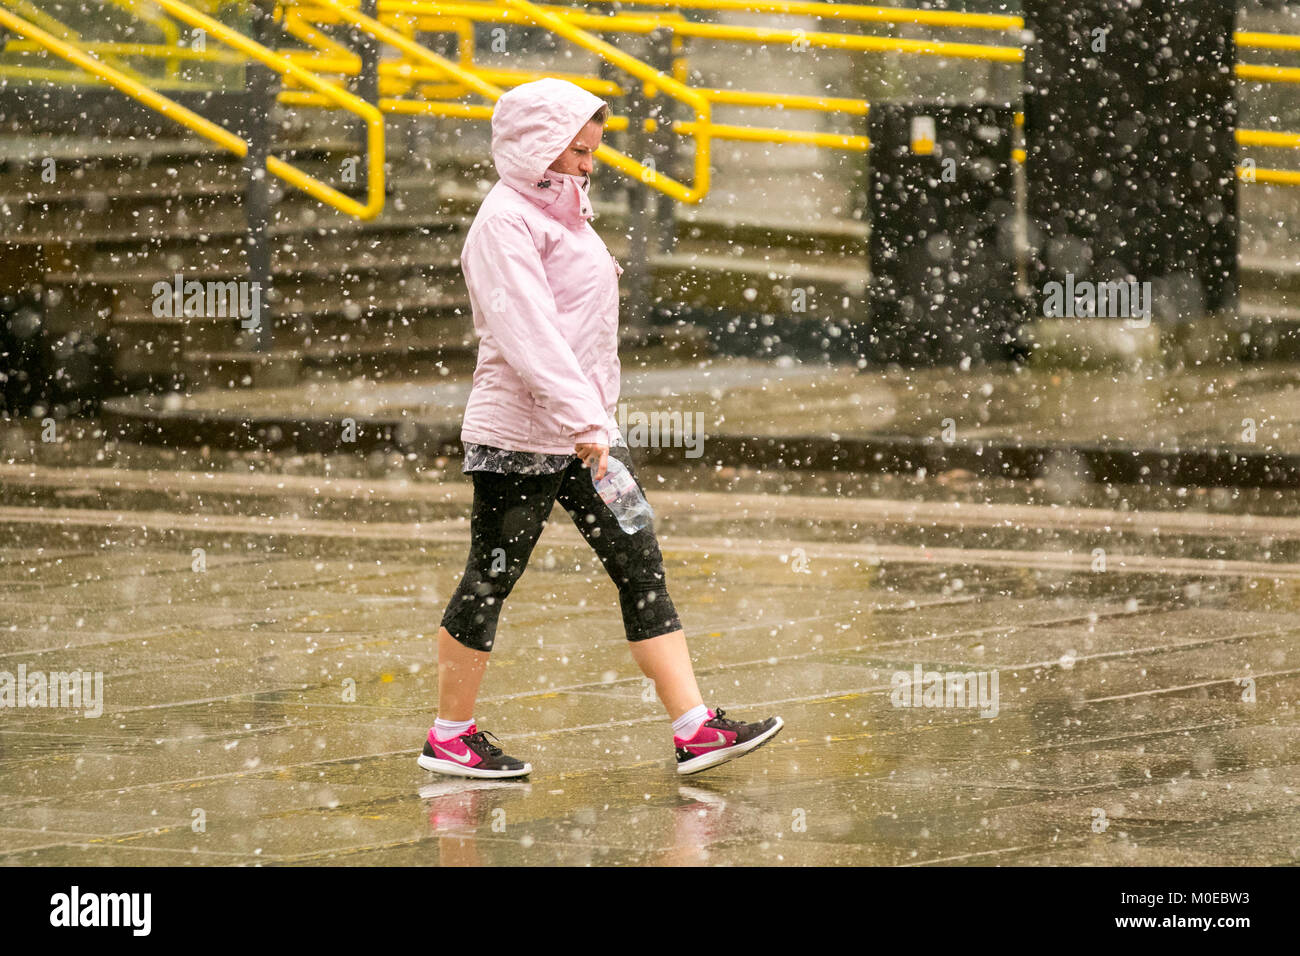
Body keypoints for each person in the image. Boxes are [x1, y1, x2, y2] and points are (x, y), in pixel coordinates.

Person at [418, 77, 783, 779]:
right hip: (522, 437)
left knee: (639, 563)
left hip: (585, 437)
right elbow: (530, 334)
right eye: (578, 151)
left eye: (593, 149)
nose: (590, 164)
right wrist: (587, 419)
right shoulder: (504, 223)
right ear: (537, 149)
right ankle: (449, 735)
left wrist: (594, 423)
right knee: (492, 576)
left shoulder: (564, 214)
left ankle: (693, 727)